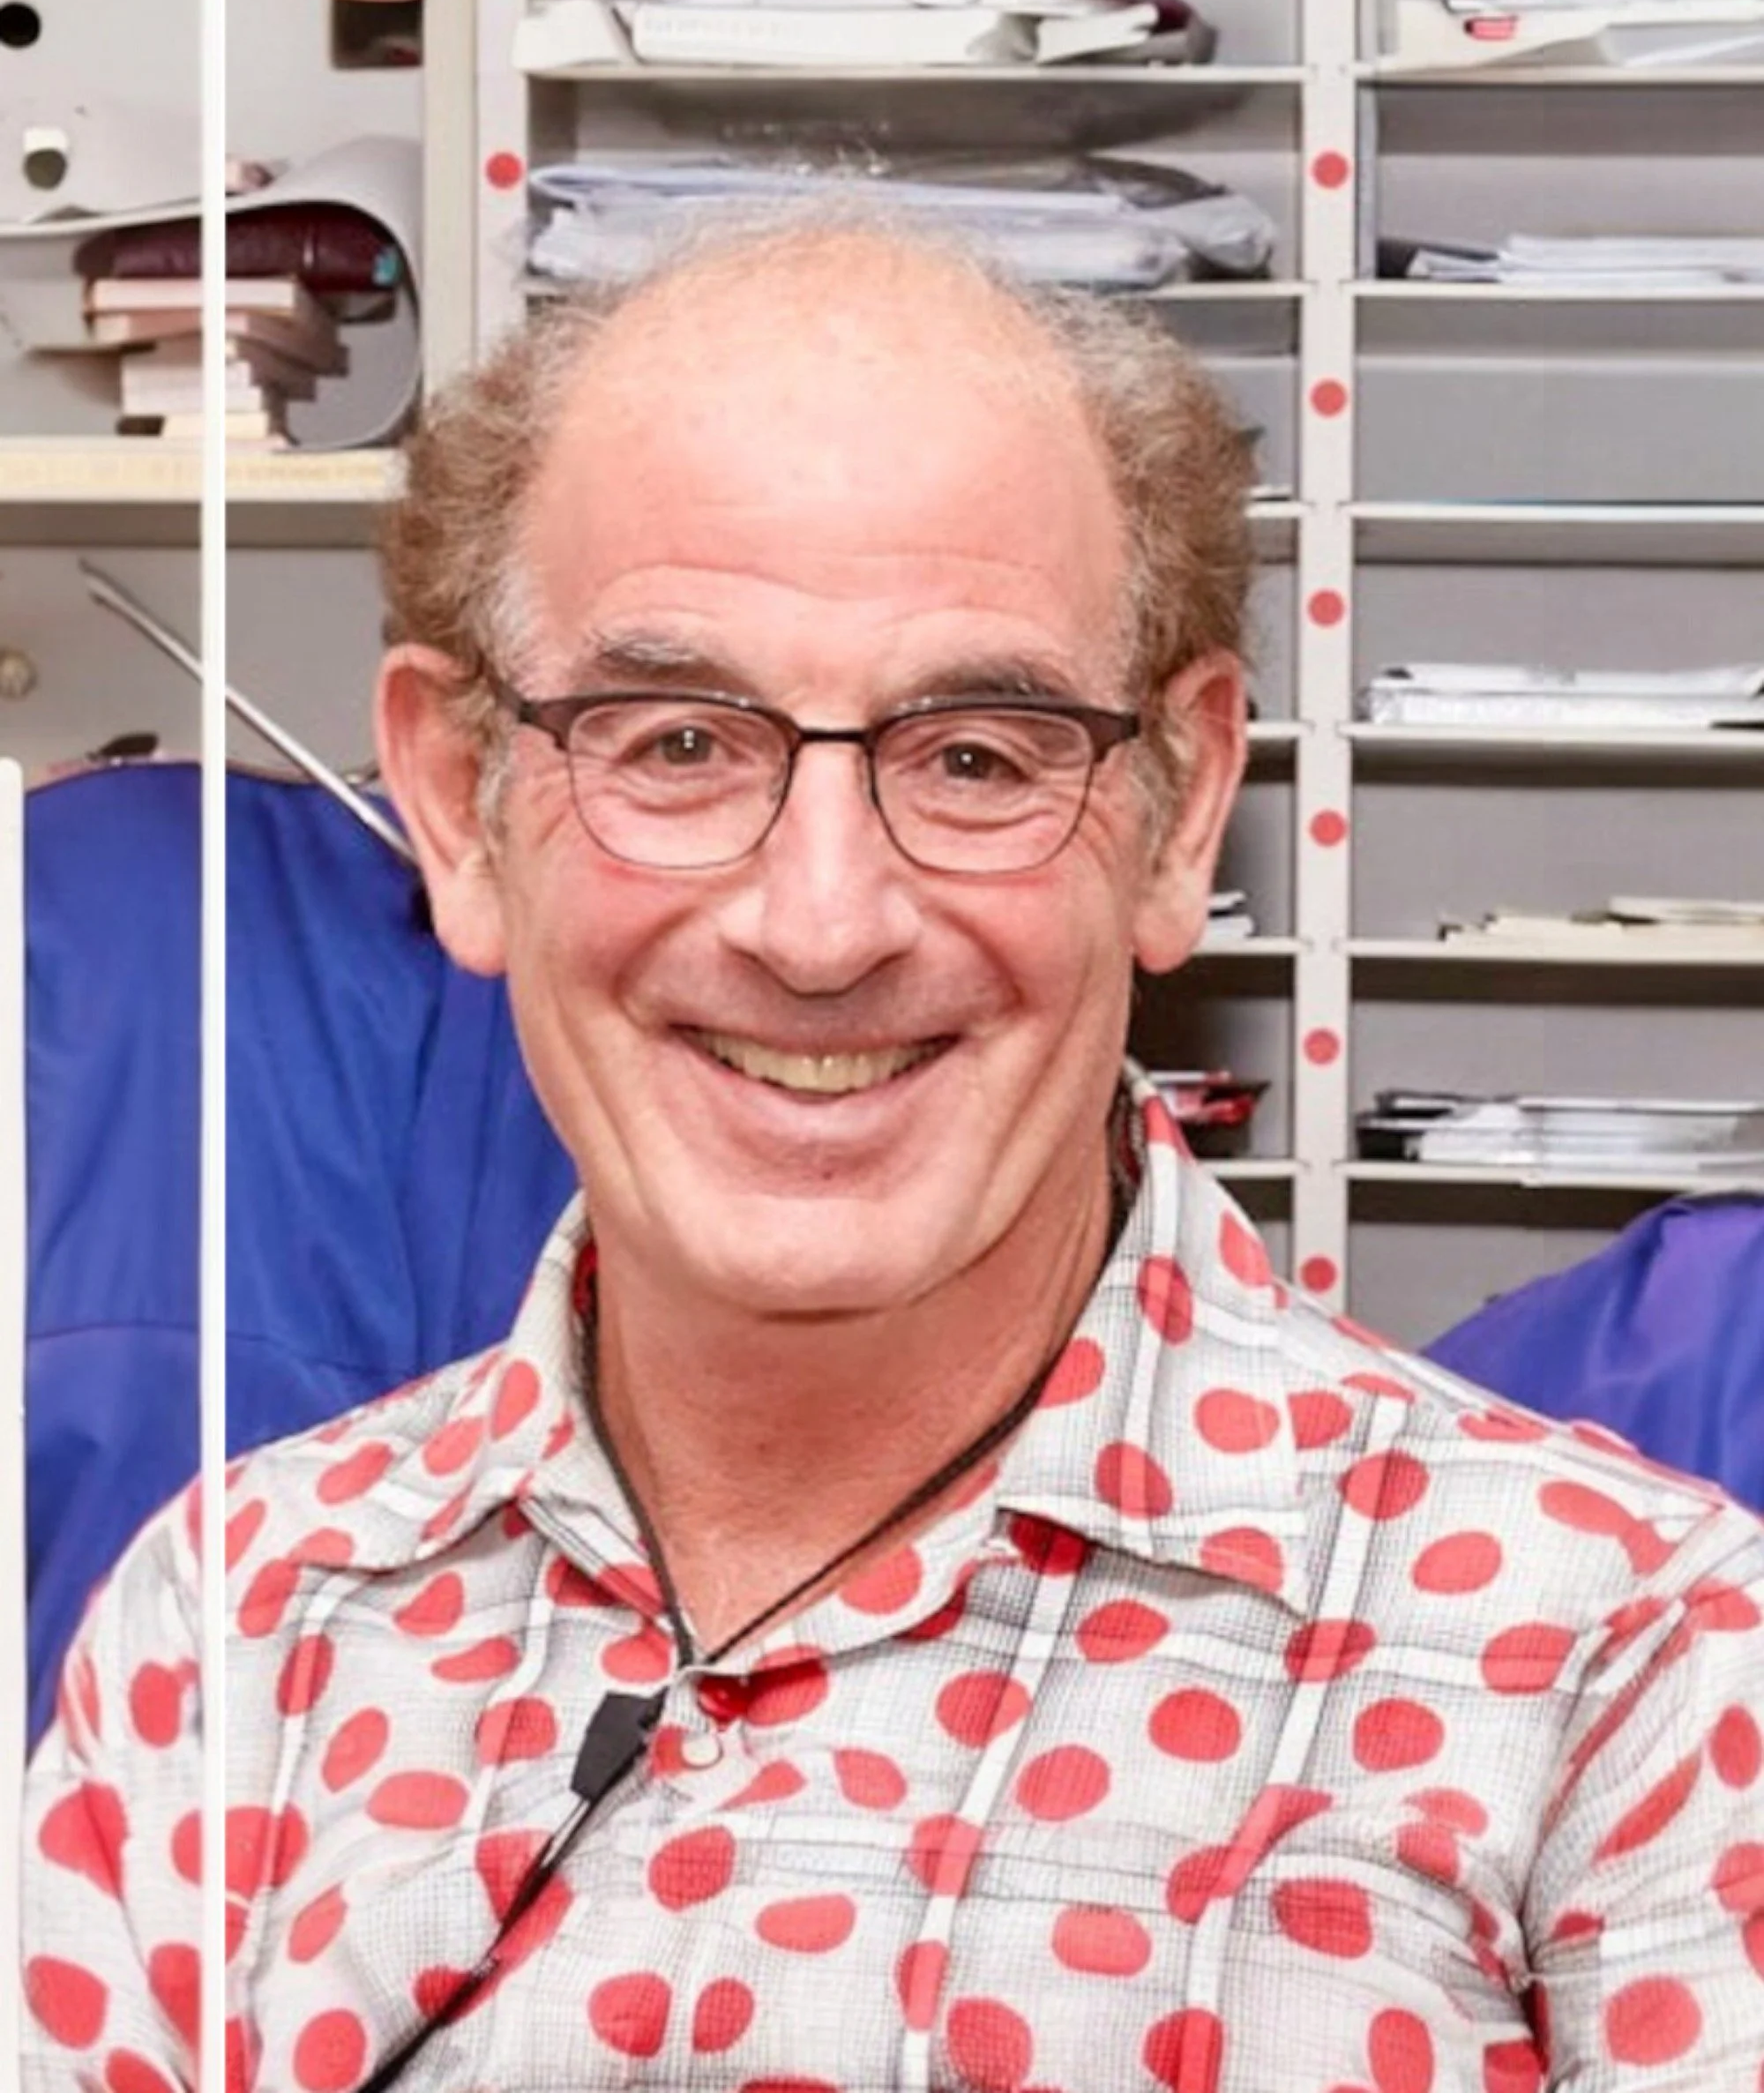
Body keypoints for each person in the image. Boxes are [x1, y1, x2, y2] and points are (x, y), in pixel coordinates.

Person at [22, 217, 1764, 2093]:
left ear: (1176, 820)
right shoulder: (240, 1621)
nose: (823, 922)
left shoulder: (1627, 1668)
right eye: (676, 740)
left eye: (974, 756)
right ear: (461, 808)